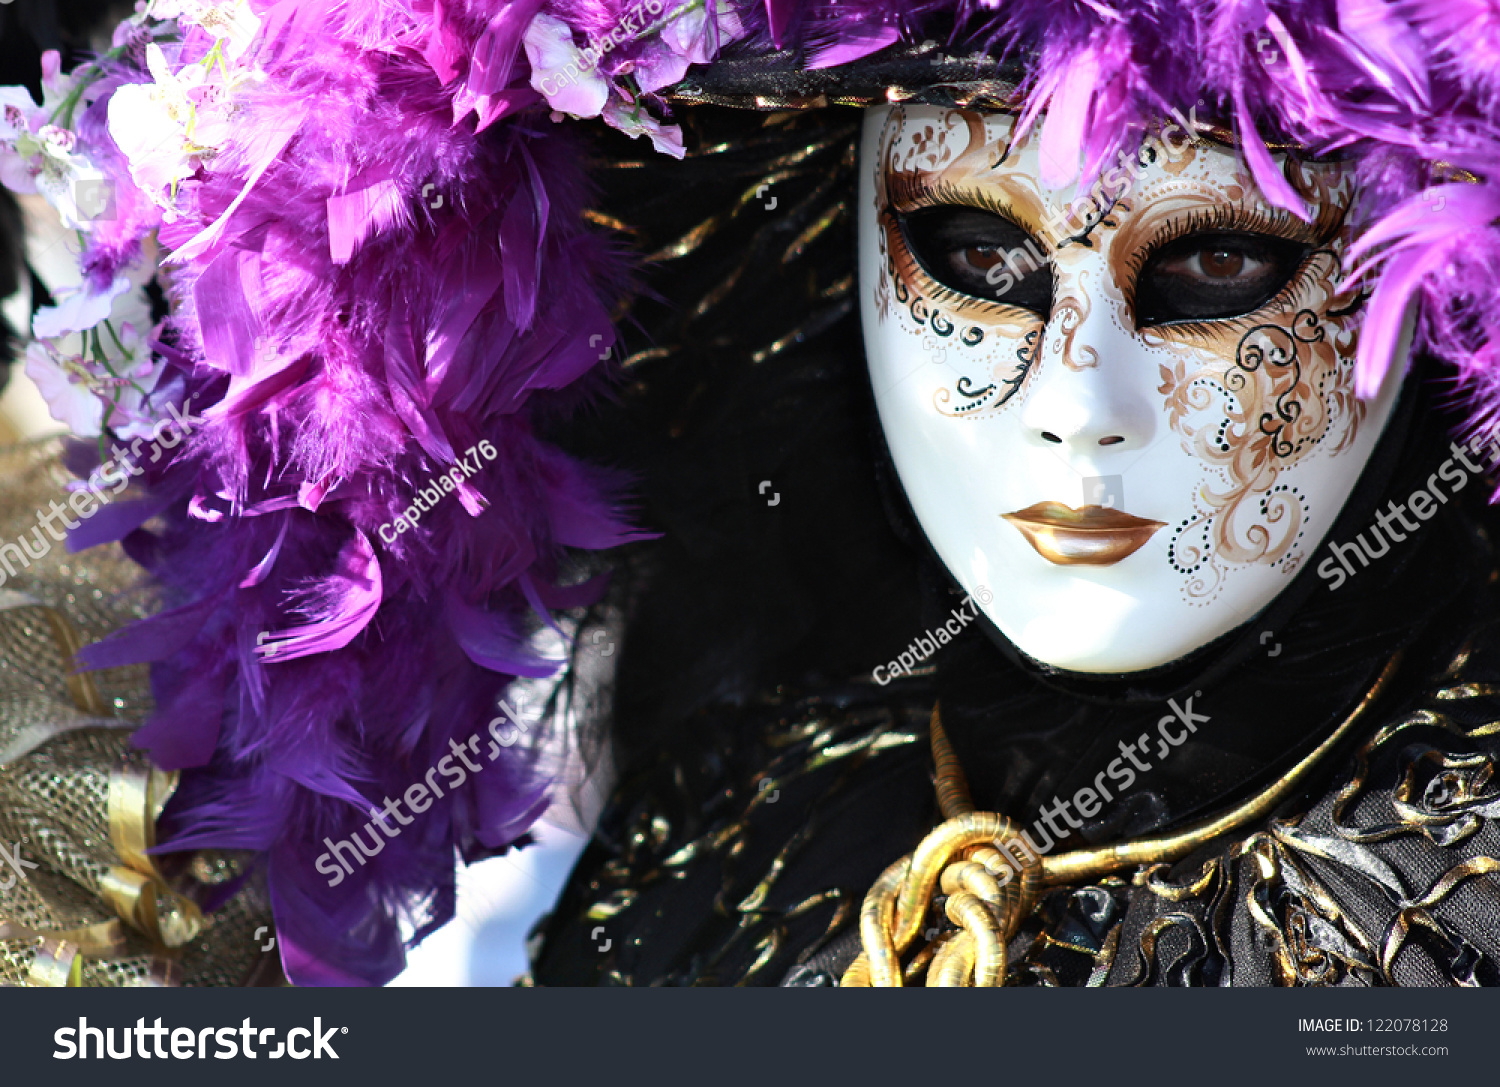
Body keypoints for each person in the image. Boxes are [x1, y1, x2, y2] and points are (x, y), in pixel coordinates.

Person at [2, 1, 1497, 988]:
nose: (1073, 413)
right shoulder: (754, 791)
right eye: (975, 258)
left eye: (1215, 264)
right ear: (845, 247)